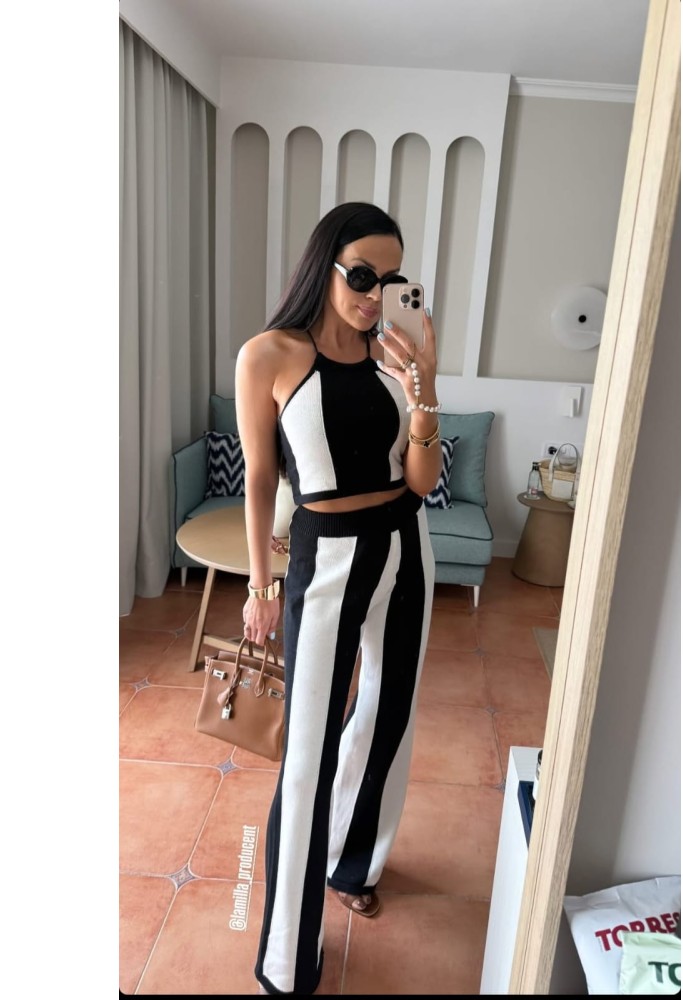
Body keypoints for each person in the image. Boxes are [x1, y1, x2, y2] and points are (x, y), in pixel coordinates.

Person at [235, 202, 443, 995]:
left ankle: (354, 861)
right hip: (325, 556)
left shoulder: (394, 354)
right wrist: (260, 584)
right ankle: (288, 960)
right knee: (308, 754)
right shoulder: (269, 355)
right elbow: (261, 479)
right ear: (325, 267)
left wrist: (424, 387)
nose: (374, 295)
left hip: (405, 544)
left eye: (390, 280)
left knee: (391, 711)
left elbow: (420, 479)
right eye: (361, 276)